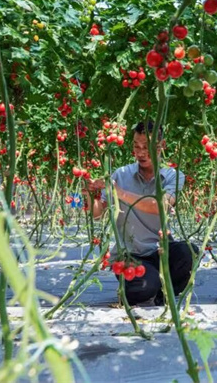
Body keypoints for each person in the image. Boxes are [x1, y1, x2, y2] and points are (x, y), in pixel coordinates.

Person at [85, 121, 193, 306]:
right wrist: (88, 193)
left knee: (188, 252)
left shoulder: (173, 176)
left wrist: (119, 193)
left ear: (162, 146)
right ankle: (150, 285)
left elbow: (160, 206)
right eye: (136, 146)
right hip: (132, 254)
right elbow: (97, 214)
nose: (141, 152)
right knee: (141, 289)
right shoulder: (120, 174)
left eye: (147, 147)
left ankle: (164, 292)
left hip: (160, 250)